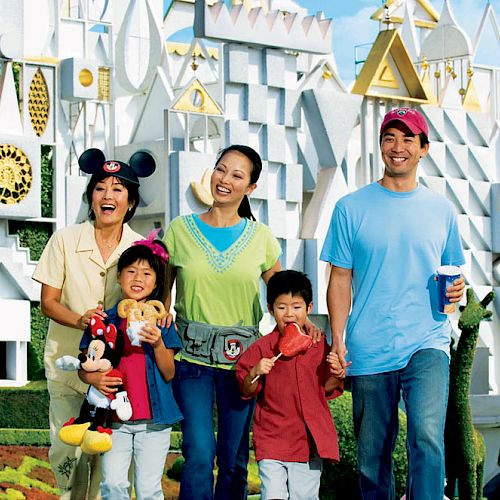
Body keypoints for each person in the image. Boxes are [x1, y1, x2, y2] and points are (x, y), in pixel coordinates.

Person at [321, 107, 466, 500]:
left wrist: (458, 292)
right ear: (381, 145)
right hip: (369, 344)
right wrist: (337, 340)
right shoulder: (350, 208)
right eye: (389, 138)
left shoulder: (442, 210)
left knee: (426, 436)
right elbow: (339, 278)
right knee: (372, 455)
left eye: (407, 139)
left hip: (429, 340)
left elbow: (453, 274)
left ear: (423, 149)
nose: (397, 147)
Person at [164, 144, 321, 499]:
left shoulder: (261, 238)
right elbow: (163, 291)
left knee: (234, 460)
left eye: (237, 175)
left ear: (249, 187)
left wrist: (301, 325)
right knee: (200, 454)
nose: (225, 179)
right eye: (221, 169)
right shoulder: (179, 230)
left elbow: (283, 296)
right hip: (191, 361)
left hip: (245, 364)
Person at [32, 148, 155, 499]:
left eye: (118, 189)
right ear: (91, 196)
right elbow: (48, 302)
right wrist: (81, 319)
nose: (108, 196)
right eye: (101, 187)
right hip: (67, 364)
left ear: (130, 202)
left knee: (106, 462)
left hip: (115, 377)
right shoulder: (65, 240)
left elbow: (151, 308)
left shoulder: (140, 249)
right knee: (64, 452)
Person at [78, 234, 182, 499]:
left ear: (157, 281)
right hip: (114, 421)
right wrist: (93, 380)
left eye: (147, 273)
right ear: (118, 276)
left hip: (154, 422)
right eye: (131, 271)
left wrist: (158, 343)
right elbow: (83, 366)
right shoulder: (103, 321)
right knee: (112, 485)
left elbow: (169, 373)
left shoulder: (162, 323)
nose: (138, 279)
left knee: (148, 489)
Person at [235, 270, 343, 500]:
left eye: (296, 307)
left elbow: (327, 388)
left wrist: (337, 372)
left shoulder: (319, 344)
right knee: (272, 496)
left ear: (309, 308)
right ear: (271, 309)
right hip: (272, 439)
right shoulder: (263, 348)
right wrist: (255, 371)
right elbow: (246, 388)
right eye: (282, 307)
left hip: (308, 443)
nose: (289, 314)